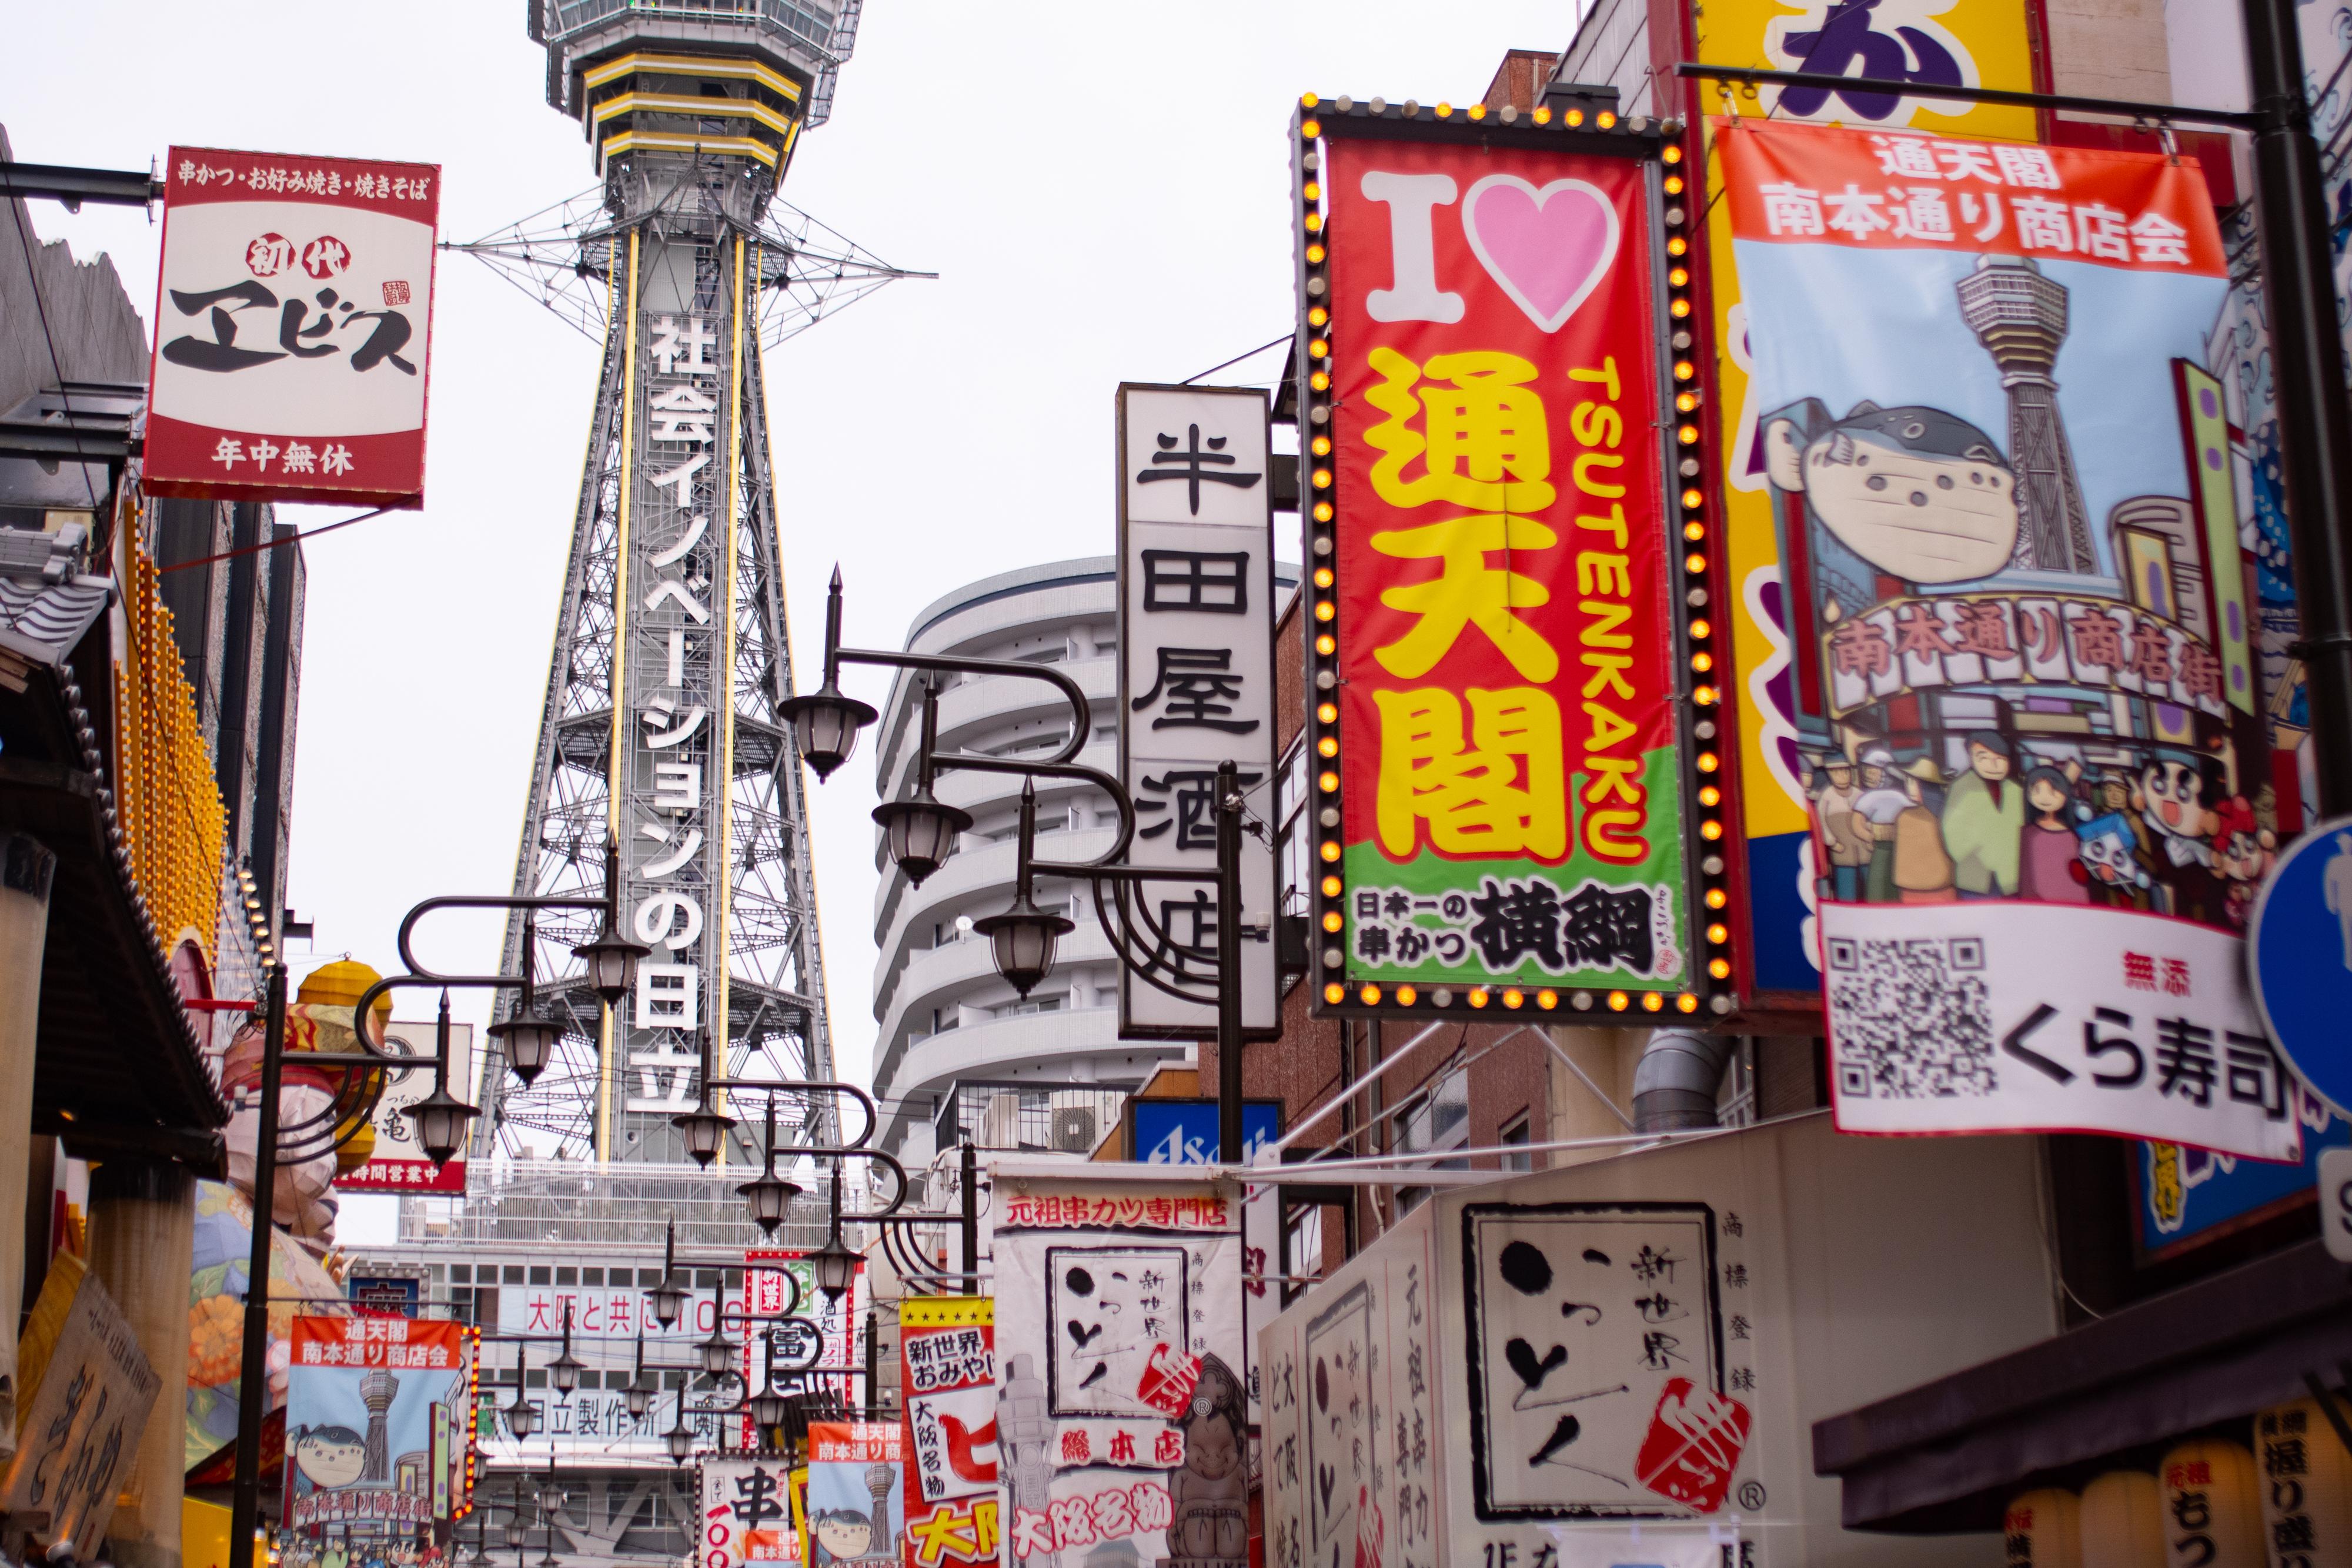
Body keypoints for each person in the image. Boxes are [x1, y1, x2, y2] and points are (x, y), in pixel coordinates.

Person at [1162, 1356, 1248, 1568]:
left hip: (1232, 1533)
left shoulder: (1240, 1474)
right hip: (1193, 1533)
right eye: (1200, 1449)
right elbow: (1174, 1510)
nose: (1213, 1457)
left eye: (1224, 1449)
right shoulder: (1182, 1476)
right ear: (1183, 1446)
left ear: (1239, 1443)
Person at [1940, 731, 2024, 898]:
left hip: (2011, 875)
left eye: (2000, 759)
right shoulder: (1961, 787)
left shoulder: (2016, 790)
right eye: (1983, 758)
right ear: (1972, 759)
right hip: (1976, 873)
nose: (1993, 765)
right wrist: (1976, 851)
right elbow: (1951, 830)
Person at [2017, 764, 2090, 904]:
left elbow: (2076, 877)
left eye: (2053, 791)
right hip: (2037, 903)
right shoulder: (2029, 833)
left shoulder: (2071, 836)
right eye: (2037, 791)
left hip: (2071, 901)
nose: (2044, 798)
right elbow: (2026, 874)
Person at [1807, 755, 1871, 902]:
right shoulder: (1827, 796)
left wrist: (1870, 838)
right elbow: (1821, 822)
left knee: (1868, 884)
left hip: (1864, 850)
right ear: (1830, 774)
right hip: (1842, 850)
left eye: (1845, 771)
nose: (1842, 776)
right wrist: (1832, 842)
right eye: (1837, 773)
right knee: (1846, 887)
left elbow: (1867, 819)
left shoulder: (1859, 794)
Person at [1892, 759, 1957, 904]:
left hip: (1917, 887)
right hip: (1940, 884)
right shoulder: (1946, 813)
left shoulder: (1905, 817)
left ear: (1924, 785)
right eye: (1907, 781)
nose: (1908, 786)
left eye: (1912, 782)